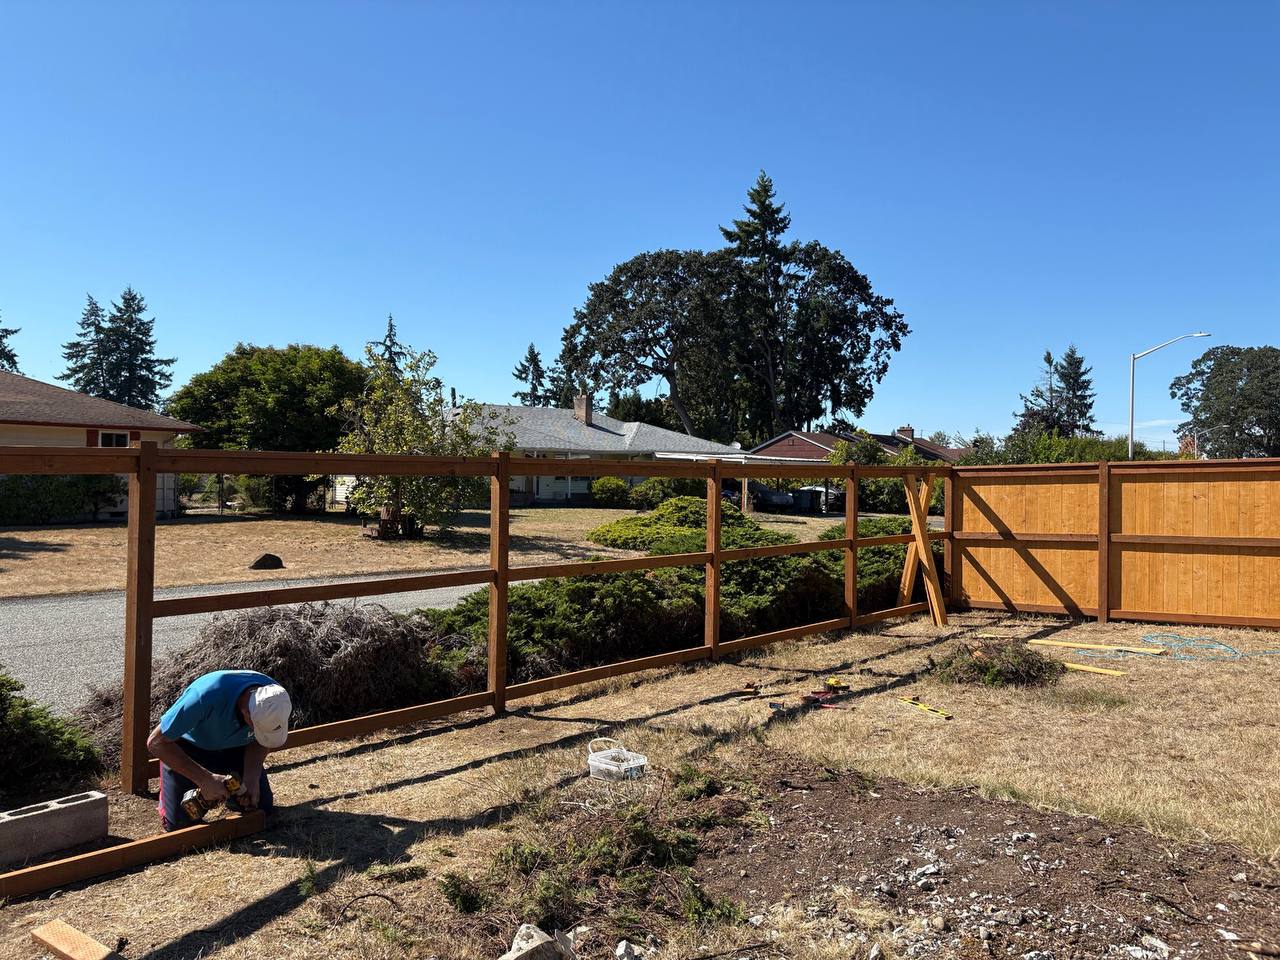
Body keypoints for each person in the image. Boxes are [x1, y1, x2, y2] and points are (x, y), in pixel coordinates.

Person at [147, 670, 292, 831]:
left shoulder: (275, 697)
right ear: (247, 714)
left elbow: (262, 739)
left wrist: (252, 777)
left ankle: (227, 793)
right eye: (258, 728)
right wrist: (204, 779)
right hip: (190, 749)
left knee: (261, 807)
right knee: (180, 825)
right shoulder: (205, 696)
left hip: (235, 747)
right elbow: (156, 743)